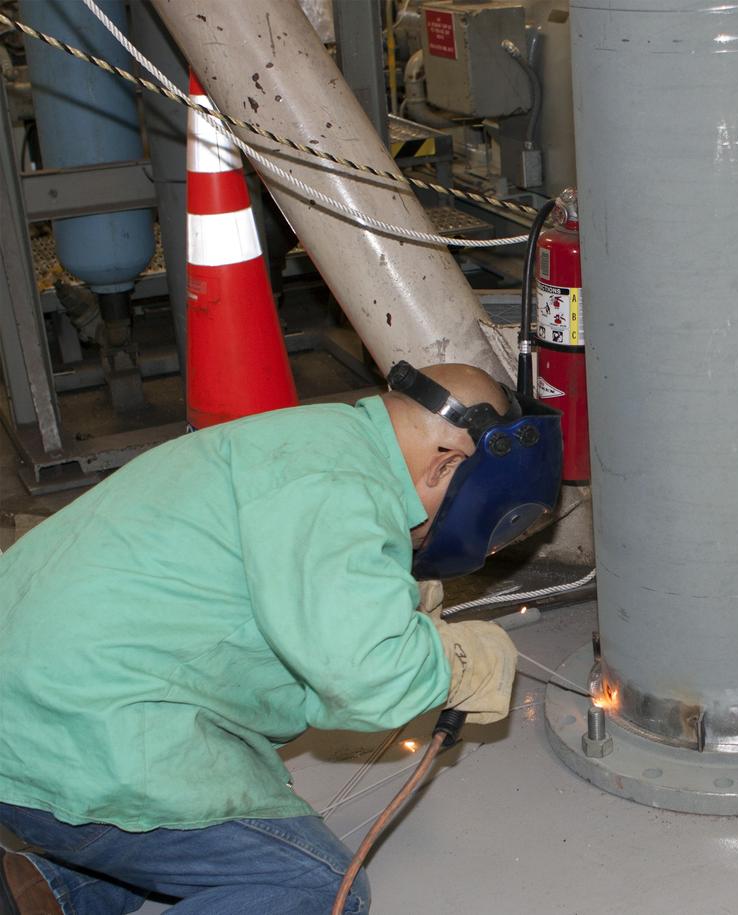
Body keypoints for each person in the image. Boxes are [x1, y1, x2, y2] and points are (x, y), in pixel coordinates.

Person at [0, 362, 561, 914]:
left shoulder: (316, 440)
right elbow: (366, 676)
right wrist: (461, 662)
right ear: (446, 466)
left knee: (177, 841)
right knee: (314, 888)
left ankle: (48, 891)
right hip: (73, 732)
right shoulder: (339, 491)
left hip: (30, 704)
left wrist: (392, 604)